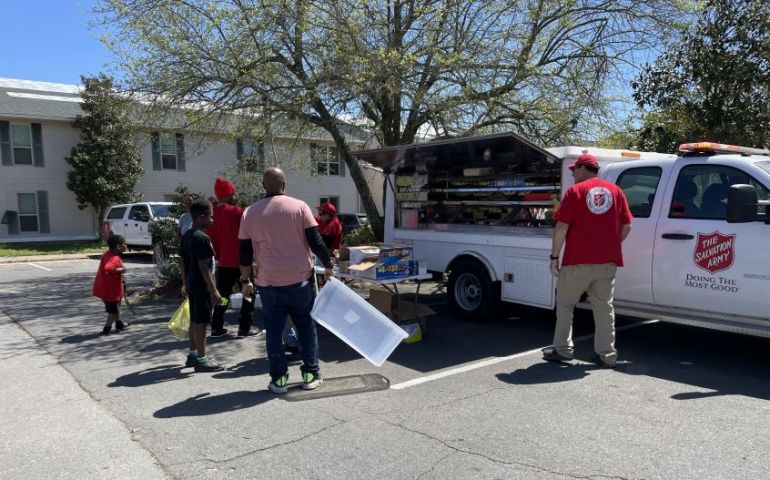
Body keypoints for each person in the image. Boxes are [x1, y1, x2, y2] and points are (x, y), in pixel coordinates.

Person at [239, 167, 334, 393]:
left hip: (268, 283)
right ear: (284, 184)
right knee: (306, 328)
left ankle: (279, 380)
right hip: (300, 280)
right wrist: (328, 265)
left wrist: (245, 280)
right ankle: (311, 375)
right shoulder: (300, 207)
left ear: (264, 186)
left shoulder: (249, 213)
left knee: (273, 333)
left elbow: (243, 253)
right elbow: (316, 240)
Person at [542, 153, 632, 368]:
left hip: (577, 261)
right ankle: (607, 355)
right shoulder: (616, 192)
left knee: (565, 304)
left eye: (574, 169)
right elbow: (627, 225)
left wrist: (554, 257)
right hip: (607, 262)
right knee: (603, 308)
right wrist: (611, 245)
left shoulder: (575, 192)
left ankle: (563, 351)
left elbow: (561, 227)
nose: (572, 173)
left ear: (584, 168)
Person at [208, 177, 261, 338]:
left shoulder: (211, 215)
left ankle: (217, 326)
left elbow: (211, 239)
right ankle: (245, 327)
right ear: (230, 193)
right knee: (248, 294)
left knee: (223, 295)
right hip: (241, 262)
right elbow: (250, 236)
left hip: (223, 261)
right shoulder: (238, 212)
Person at [180, 198, 224, 372]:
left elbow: (182, 262)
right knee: (202, 323)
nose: (212, 220)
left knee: (194, 319)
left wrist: (184, 283)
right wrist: (214, 290)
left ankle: (192, 354)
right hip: (202, 286)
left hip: (191, 284)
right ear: (200, 217)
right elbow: (203, 265)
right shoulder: (202, 238)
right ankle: (202, 359)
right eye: (210, 217)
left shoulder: (188, 236)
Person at [93, 234, 128, 335]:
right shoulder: (114, 257)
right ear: (118, 246)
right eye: (124, 244)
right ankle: (106, 328)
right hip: (112, 289)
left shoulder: (106, 254)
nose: (125, 246)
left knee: (114, 308)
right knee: (112, 311)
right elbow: (109, 268)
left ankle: (119, 324)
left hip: (104, 287)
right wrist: (122, 269)